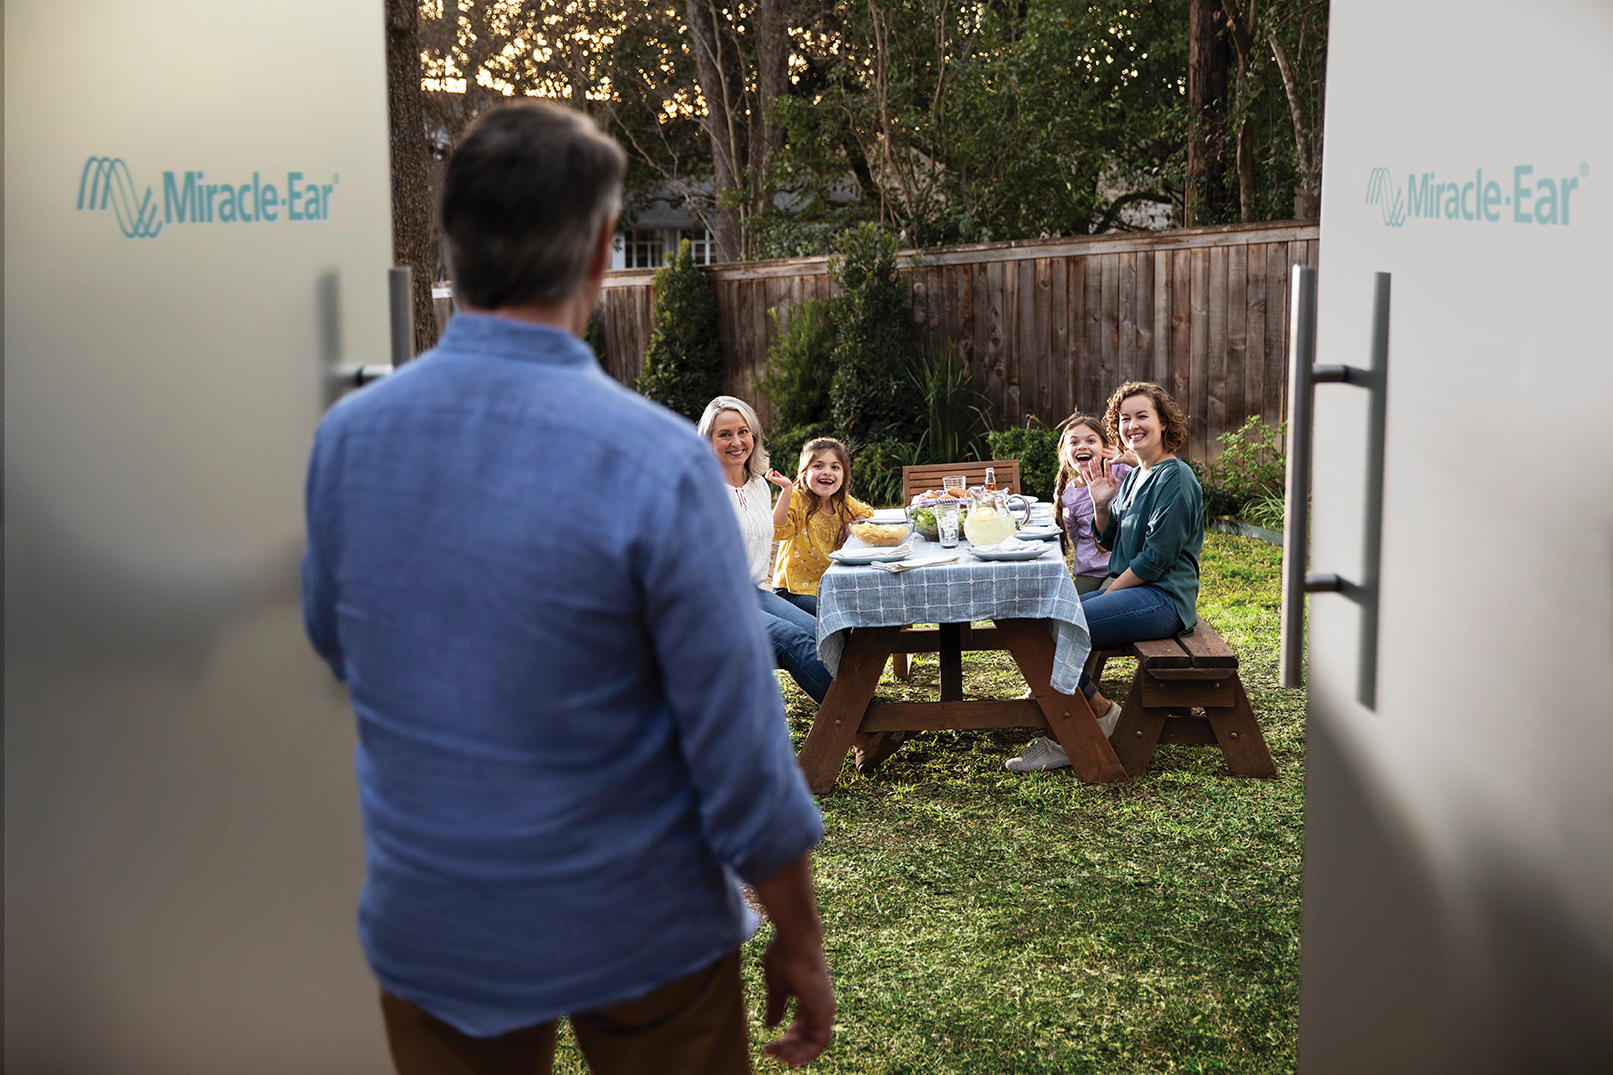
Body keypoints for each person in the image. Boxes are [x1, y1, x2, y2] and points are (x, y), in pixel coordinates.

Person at [301, 101, 834, 1074]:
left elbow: (338, 642)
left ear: (452, 245)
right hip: (643, 920)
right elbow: (737, 741)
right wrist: (798, 932)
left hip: (440, 916)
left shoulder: (346, 442)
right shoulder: (658, 461)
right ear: (598, 249)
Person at [1006, 382, 1203, 773]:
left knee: (1058, 626)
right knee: (1040, 622)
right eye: (1124, 418)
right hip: (1139, 592)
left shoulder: (1175, 479)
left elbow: (1156, 560)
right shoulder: (1136, 476)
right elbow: (1111, 539)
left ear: (1164, 422)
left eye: (1142, 416)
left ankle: (1081, 729)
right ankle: (1096, 712)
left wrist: (1109, 591)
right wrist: (1100, 506)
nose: (1132, 425)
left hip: (1163, 598)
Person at [699, 395, 834, 704]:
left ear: (754, 435)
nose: (736, 442)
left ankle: (855, 712)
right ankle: (857, 717)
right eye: (724, 434)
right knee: (792, 639)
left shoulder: (758, 484)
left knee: (822, 633)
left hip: (753, 591)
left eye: (742, 432)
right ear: (708, 441)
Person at [771, 437, 873, 617]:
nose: (827, 472)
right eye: (818, 466)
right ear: (804, 473)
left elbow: (867, 511)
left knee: (864, 606)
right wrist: (786, 490)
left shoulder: (841, 502)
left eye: (835, 467)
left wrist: (853, 522)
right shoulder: (797, 498)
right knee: (838, 616)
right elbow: (776, 530)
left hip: (826, 587)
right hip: (793, 591)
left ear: (843, 474)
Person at [1052, 412, 1134, 596]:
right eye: (1074, 442)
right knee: (1070, 604)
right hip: (1090, 569)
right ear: (1065, 453)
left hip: (1122, 565)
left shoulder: (1120, 471)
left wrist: (1125, 457)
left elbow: (1149, 477)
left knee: (1104, 603)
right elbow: (1077, 538)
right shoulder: (1068, 495)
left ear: (1105, 447)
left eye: (1090, 441)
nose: (1082, 446)